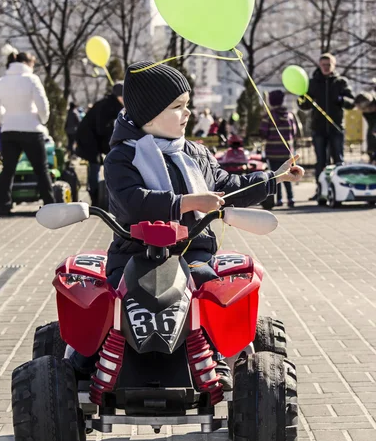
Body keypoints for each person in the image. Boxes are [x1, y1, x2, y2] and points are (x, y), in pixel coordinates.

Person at [69, 61, 304, 387]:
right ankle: (79, 367)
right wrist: (188, 203)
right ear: (149, 115)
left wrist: (272, 178)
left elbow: (228, 186)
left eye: (187, 105)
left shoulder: (194, 153)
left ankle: (215, 358)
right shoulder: (122, 157)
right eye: (178, 107)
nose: (188, 113)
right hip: (134, 254)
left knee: (208, 286)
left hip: (191, 252)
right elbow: (133, 200)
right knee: (108, 301)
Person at [0, 51, 54, 215]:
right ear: (28, 63)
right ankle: (50, 205)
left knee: (8, 169)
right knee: (41, 169)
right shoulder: (31, 79)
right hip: (31, 129)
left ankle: (5, 206)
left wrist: (5, 118)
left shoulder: (2, 81)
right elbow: (42, 104)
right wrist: (42, 120)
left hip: (9, 130)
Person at [298, 53, 355, 200]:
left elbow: (351, 102)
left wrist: (341, 99)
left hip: (336, 128)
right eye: (323, 64)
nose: (326, 67)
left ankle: (340, 191)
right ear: (319, 65)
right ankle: (320, 191)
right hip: (318, 128)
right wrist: (301, 99)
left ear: (333, 65)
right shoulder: (312, 83)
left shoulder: (340, 82)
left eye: (328, 65)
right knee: (321, 162)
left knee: (338, 160)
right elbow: (305, 105)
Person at [76, 82, 123, 205]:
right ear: (118, 96)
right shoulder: (107, 106)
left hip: (95, 140)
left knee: (97, 166)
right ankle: (96, 198)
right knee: (95, 166)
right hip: (89, 140)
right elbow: (103, 129)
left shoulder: (113, 104)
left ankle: (101, 196)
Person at [260, 89, 297, 207]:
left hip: (273, 152)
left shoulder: (268, 116)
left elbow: (263, 133)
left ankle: (279, 199)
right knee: (288, 174)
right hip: (286, 152)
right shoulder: (290, 115)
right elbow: (294, 132)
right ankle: (291, 198)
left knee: (277, 176)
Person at [355, 91, 376, 164]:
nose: (361, 110)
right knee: (370, 134)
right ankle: (372, 156)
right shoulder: (366, 112)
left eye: (363, 109)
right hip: (372, 123)